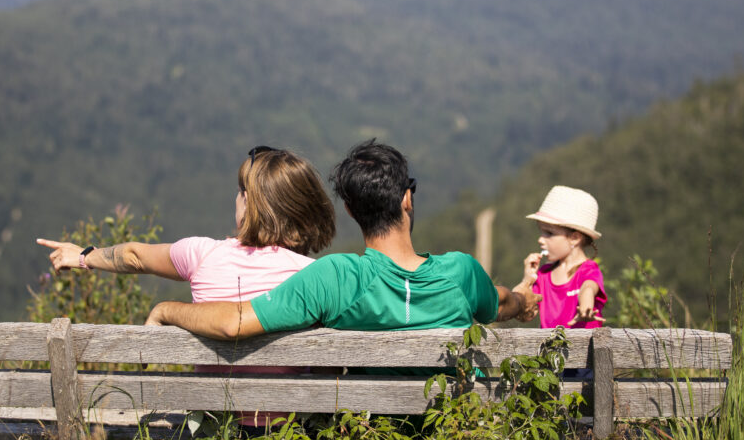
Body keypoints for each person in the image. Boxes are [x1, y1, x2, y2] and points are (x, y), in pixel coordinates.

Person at [37, 145, 336, 431]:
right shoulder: (316, 277)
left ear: (248, 203)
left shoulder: (202, 254)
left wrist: (82, 255)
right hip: (289, 438)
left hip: (211, 431)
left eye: (240, 192)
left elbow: (134, 256)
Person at [144, 139, 541, 340]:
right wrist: (526, 299)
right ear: (407, 199)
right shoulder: (462, 273)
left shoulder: (334, 277)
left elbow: (234, 322)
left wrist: (167, 309)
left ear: (350, 211)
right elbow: (502, 302)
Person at [520, 185, 606, 330]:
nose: (541, 240)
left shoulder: (589, 270)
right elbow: (525, 314)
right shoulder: (543, 275)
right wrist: (527, 279)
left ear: (574, 238)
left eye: (549, 233)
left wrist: (586, 307)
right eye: (541, 232)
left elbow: (588, 288)